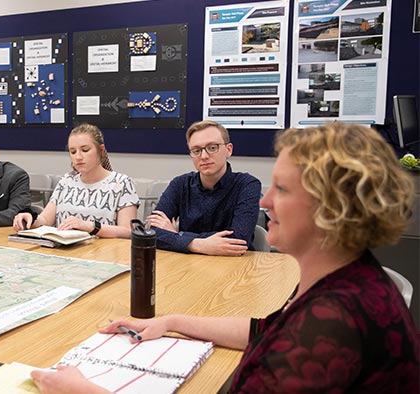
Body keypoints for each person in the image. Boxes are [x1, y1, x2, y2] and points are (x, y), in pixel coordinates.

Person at [31, 123, 419, 393]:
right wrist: (171, 321)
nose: (265, 203)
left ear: (331, 208)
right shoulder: (344, 280)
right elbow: (266, 330)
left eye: (281, 189)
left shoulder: (333, 322)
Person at [146, 120, 261, 256]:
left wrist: (178, 235)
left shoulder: (248, 185)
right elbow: (150, 232)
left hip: (235, 266)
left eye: (212, 148)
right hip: (188, 266)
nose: (204, 156)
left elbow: (238, 240)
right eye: (196, 150)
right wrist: (196, 244)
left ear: (228, 150)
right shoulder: (180, 184)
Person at [13, 124, 139, 238]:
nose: (78, 157)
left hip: (102, 254)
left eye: (85, 150)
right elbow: (45, 219)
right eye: (73, 152)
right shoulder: (66, 181)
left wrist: (89, 226)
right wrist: (31, 219)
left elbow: (127, 232)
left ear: (101, 150)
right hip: (65, 251)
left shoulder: (121, 183)